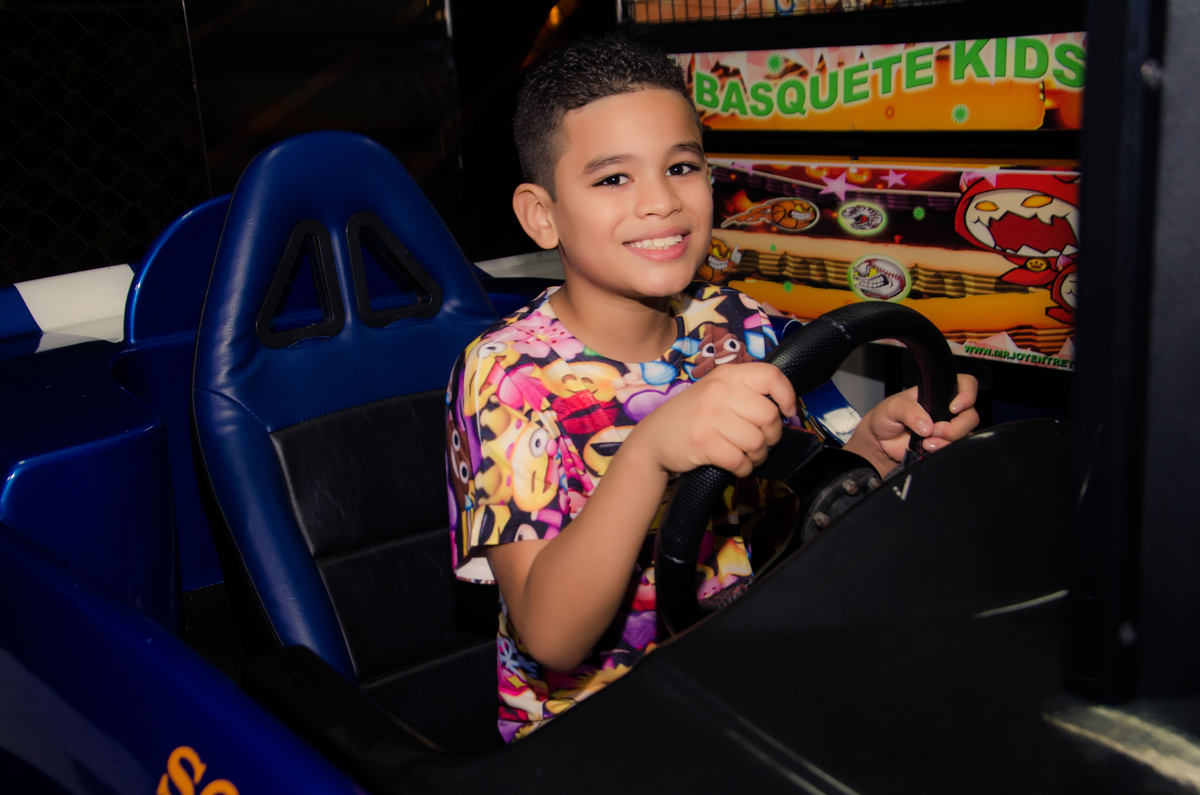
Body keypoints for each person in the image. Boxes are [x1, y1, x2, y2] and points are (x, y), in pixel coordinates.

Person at [445, 36, 979, 743]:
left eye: (681, 166)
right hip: (593, 730)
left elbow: (794, 514)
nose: (661, 202)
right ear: (543, 215)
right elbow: (551, 638)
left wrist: (872, 451)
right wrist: (647, 455)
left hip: (753, 672)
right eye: (613, 178)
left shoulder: (739, 322)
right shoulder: (505, 374)